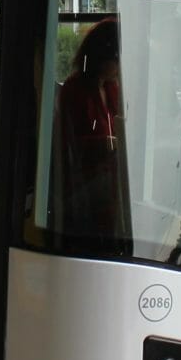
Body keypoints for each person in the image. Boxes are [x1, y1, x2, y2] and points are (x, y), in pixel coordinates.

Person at [55, 19, 124, 230]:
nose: (119, 66)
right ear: (101, 58)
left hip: (110, 189)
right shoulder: (74, 90)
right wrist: (107, 144)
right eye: (116, 60)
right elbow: (68, 146)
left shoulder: (112, 87)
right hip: (86, 192)